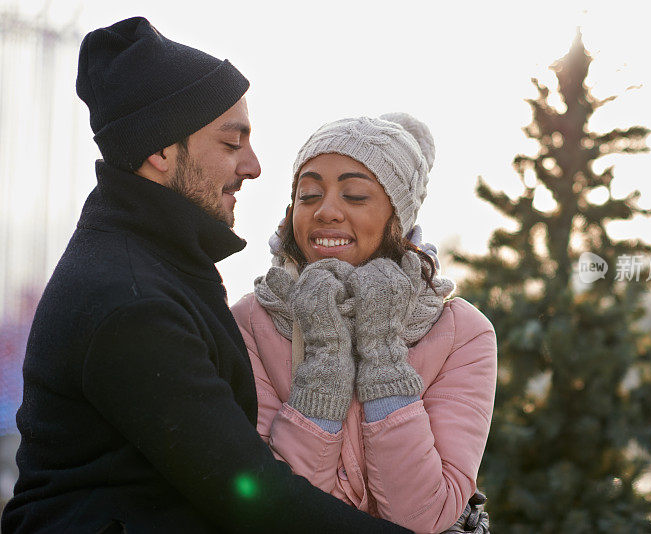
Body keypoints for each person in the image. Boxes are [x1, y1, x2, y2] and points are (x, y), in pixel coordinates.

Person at [0, 17, 412, 533]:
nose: (254, 166)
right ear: (160, 151)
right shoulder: (129, 300)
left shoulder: (156, 262)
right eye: (230, 143)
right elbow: (248, 493)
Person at [231, 113, 497, 533]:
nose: (327, 211)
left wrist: (382, 353)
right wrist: (325, 364)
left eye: (355, 195)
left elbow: (425, 515)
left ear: (399, 215)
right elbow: (272, 509)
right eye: (309, 194)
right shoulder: (250, 321)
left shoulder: (462, 333)